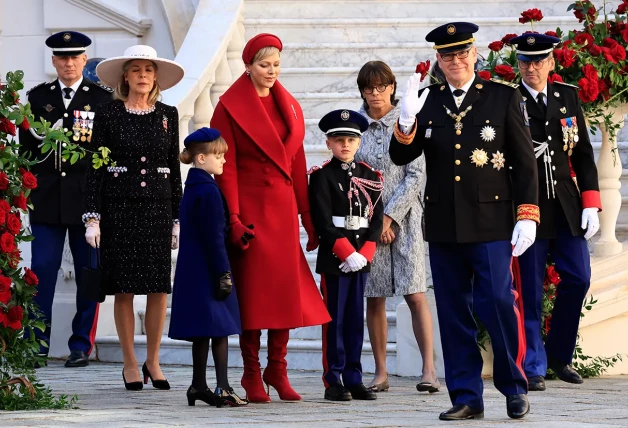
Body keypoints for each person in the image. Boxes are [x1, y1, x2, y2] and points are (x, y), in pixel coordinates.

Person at [390, 22, 539, 420]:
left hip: (491, 221)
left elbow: (525, 163)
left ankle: (513, 388)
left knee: (497, 305)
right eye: (446, 55)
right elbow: (402, 158)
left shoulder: (501, 97)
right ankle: (466, 396)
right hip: (443, 223)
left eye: (461, 53)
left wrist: (527, 215)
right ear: (438, 60)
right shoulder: (428, 100)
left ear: (474, 55)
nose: (455, 61)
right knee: (454, 312)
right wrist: (406, 122)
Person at [210, 33, 331, 403]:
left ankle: (277, 369)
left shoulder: (290, 105)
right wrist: (232, 216)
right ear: (248, 66)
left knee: (284, 293)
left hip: (282, 213)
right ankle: (250, 373)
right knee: (254, 295)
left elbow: (296, 165)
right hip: (250, 211)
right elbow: (224, 166)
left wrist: (308, 218)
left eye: (276, 65)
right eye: (264, 65)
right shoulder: (228, 106)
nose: (272, 72)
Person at [84, 45, 184, 390]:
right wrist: (92, 217)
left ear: (156, 77)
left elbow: (173, 169)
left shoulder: (168, 114)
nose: (143, 75)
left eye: (149, 70)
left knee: (158, 289)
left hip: (156, 209)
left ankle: (153, 361)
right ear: (125, 76)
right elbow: (94, 168)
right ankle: (129, 361)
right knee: (123, 289)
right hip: (119, 210)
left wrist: (176, 217)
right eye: (136, 69)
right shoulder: (108, 114)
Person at [511, 33, 601, 391]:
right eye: (525, 62)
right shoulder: (508, 100)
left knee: (578, 277)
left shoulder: (567, 96)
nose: (531, 68)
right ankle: (533, 364)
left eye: (538, 61)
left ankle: (559, 355)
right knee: (530, 290)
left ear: (551, 62)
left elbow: (582, 154)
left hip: (566, 205)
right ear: (518, 64)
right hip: (528, 208)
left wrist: (591, 202)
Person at [18, 31, 113, 368]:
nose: (69, 63)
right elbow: (27, 152)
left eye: (75, 57)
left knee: (89, 270)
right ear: (54, 61)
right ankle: (36, 344)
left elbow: (106, 155)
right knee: (41, 269)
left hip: (87, 203)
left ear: (85, 60)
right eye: (62, 57)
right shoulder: (37, 98)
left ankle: (80, 344)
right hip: (47, 201)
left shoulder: (101, 100)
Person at [353, 61, 438, 393]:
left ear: (391, 87)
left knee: (415, 294)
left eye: (381, 87)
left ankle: (428, 369)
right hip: (369, 223)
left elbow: (416, 176)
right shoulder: (356, 129)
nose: (375, 94)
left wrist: (391, 217)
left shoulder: (406, 122)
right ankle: (381, 372)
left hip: (407, 221)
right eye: (368, 88)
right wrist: (376, 222)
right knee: (373, 297)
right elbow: (354, 178)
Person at [168, 127, 247, 407]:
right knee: (220, 330)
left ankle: (198, 385)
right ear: (201, 158)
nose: (223, 160)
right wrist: (223, 273)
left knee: (203, 330)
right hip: (209, 270)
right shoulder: (209, 190)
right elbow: (215, 237)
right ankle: (222, 387)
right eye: (219, 155)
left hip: (192, 270)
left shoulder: (192, 187)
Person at [309, 109, 384, 401]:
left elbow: (375, 218)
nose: (345, 145)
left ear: (359, 142)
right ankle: (333, 379)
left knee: (355, 320)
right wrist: (345, 251)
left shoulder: (370, 175)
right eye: (339, 140)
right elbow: (323, 220)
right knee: (335, 321)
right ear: (328, 143)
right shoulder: (322, 177)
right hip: (335, 258)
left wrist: (365, 252)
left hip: (360, 260)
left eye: (351, 140)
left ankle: (354, 377)